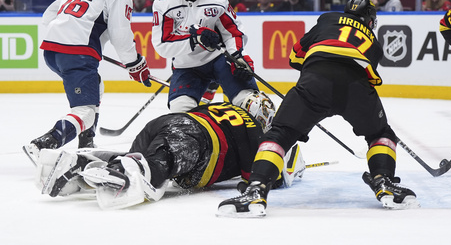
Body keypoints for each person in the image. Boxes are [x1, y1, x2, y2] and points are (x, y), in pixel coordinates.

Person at [217, 0, 419, 218]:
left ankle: (256, 188)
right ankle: (384, 179)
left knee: (279, 134)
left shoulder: (327, 20)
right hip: (355, 87)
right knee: (380, 133)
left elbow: (295, 57)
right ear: (370, 21)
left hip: (314, 83)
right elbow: (370, 78)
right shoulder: (374, 42)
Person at [34, 98, 301, 210]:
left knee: (139, 159)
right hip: (195, 138)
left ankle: (81, 163)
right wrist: (291, 165)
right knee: (151, 173)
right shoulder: (253, 129)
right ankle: (122, 176)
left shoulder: (223, 106)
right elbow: (256, 178)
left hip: (166, 123)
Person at [22, 0, 152, 164]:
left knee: (96, 85)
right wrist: (135, 64)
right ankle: (42, 145)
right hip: (77, 52)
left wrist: (70, 32)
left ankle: (86, 143)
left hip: (52, 51)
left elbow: (49, 15)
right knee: (85, 113)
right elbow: (121, 35)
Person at [151, 0, 259, 113]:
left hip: (219, 59)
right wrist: (194, 39)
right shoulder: (164, 3)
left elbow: (233, 32)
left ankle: (269, 136)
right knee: (180, 115)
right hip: (187, 66)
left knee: (252, 104)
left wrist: (237, 55)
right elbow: (163, 45)